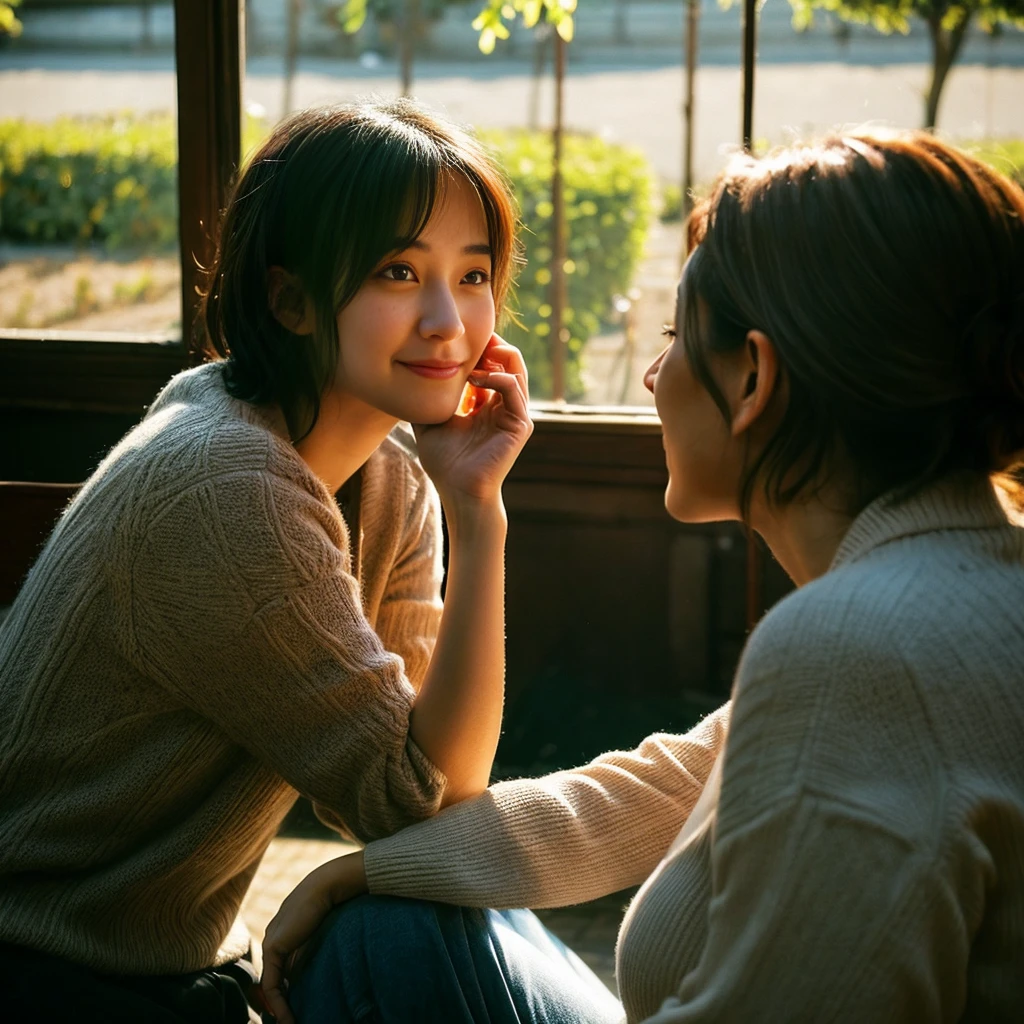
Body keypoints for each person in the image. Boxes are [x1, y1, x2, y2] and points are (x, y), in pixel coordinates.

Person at [261, 129, 1024, 1024]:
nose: (656, 375)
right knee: (392, 922)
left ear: (751, 380)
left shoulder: (862, 648)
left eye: (674, 336)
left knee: (374, 948)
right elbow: (657, 790)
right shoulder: (951, 593)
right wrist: (374, 869)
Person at [0, 99, 533, 1022]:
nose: (450, 320)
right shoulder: (221, 483)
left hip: (154, 969)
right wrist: (478, 519)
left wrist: (476, 510)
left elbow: (433, 799)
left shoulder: (394, 480)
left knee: (440, 919)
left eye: (474, 273)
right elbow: (411, 801)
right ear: (289, 300)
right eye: (398, 271)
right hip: (41, 967)